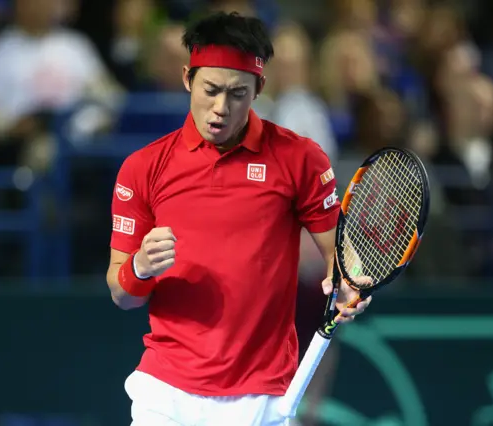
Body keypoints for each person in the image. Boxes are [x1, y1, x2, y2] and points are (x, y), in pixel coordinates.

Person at [106, 12, 372, 426]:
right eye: (210, 90)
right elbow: (122, 294)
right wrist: (140, 266)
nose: (220, 108)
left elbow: (339, 252)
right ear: (186, 78)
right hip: (167, 393)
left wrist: (348, 281)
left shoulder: (300, 160)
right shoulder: (142, 168)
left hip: (262, 397)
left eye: (237, 94)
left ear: (259, 88)